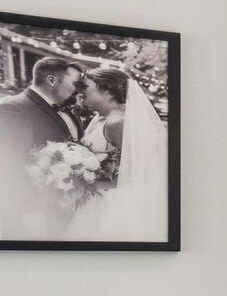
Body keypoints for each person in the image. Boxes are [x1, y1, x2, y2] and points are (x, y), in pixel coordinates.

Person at [0, 55, 83, 237]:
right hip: (28, 211)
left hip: (62, 210)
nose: (79, 90)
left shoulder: (68, 111)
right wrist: (40, 204)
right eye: (76, 83)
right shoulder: (13, 109)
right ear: (52, 80)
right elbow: (6, 163)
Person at [66, 66, 168, 243]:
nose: (80, 91)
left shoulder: (116, 123)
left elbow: (140, 171)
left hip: (111, 202)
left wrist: (91, 184)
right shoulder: (99, 118)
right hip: (94, 196)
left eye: (86, 86)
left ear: (106, 91)